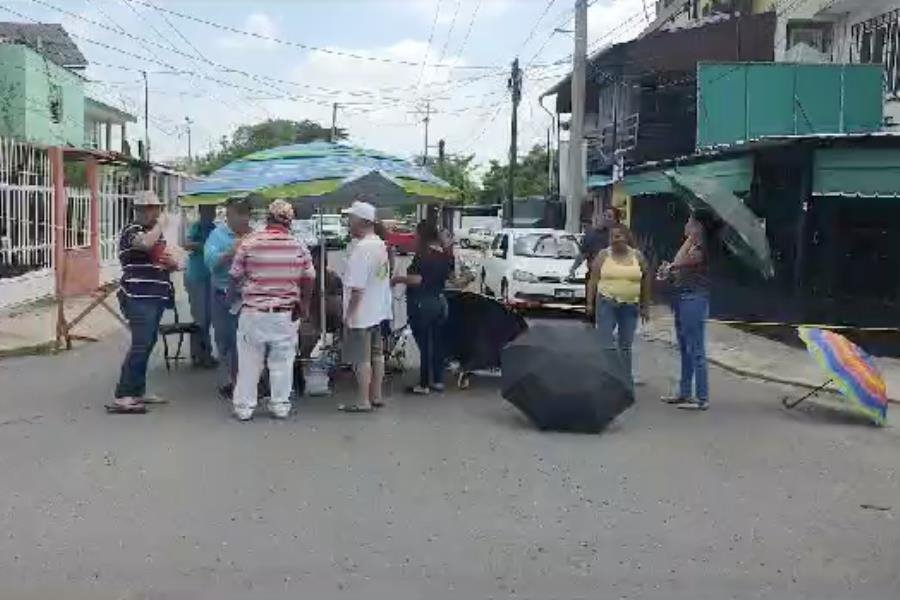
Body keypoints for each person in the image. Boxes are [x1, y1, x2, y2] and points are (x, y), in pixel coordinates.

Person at [229, 200, 315, 421]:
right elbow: (309, 278)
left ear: (267, 219)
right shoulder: (298, 245)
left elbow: (235, 275)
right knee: (282, 361)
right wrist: (304, 304)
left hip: (253, 312)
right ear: (290, 222)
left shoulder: (249, 243)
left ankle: (245, 408)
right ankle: (279, 405)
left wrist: (234, 298)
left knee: (249, 361)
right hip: (285, 313)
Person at [108, 190, 178, 414]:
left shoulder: (153, 233)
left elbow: (162, 259)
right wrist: (161, 225)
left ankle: (137, 390)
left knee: (147, 344)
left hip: (155, 296)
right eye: (151, 208)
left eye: (157, 208)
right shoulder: (133, 231)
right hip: (138, 297)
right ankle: (124, 394)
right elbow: (145, 245)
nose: (156, 213)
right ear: (140, 210)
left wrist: (172, 263)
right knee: (141, 344)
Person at [341, 200, 392, 412]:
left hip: (361, 313)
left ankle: (363, 400)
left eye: (351, 218)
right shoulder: (380, 244)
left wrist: (348, 314)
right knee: (377, 354)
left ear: (362, 221)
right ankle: (376, 395)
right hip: (378, 309)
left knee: (362, 359)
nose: (348, 222)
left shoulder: (362, 249)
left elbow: (357, 288)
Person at [392, 221, 453, 394]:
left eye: (416, 232)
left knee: (425, 345)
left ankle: (424, 384)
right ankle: (438, 380)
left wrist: (398, 279)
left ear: (422, 235)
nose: (414, 235)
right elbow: (449, 276)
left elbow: (417, 279)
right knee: (437, 343)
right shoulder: (443, 254)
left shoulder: (423, 255)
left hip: (421, 304)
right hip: (439, 302)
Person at [586, 224, 650, 387]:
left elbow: (645, 279)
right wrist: (590, 304)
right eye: (612, 237)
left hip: (630, 305)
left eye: (619, 236)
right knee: (607, 344)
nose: (615, 240)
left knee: (625, 345)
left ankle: (625, 381)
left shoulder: (638, 256)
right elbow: (593, 279)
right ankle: (609, 378)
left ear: (627, 238)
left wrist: (644, 305)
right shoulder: (603, 255)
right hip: (607, 302)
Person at [658, 213, 710, 411]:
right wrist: (670, 270)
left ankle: (702, 397)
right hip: (683, 296)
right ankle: (685, 392)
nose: (686, 225)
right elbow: (681, 268)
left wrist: (673, 266)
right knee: (684, 347)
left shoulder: (702, 246)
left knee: (696, 348)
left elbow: (692, 261)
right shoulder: (690, 244)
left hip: (694, 298)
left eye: (690, 222)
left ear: (698, 226)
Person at [204, 196, 252, 399]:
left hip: (249, 296)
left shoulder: (255, 235)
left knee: (246, 340)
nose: (241, 219)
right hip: (223, 294)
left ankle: (244, 381)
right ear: (229, 215)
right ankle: (232, 380)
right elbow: (210, 262)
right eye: (236, 214)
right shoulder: (218, 235)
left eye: (244, 214)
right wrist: (230, 252)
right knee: (226, 338)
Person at [183, 204, 218, 368]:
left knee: (209, 316)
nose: (210, 212)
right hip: (196, 276)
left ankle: (203, 353)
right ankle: (200, 354)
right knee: (200, 317)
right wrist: (206, 247)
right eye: (207, 210)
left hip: (210, 276)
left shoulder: (214, 228)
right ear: (201, 211)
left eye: (212, 210)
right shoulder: (196, 227)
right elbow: (187, 244)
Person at [569, 206, 621, 285]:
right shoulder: (592, 234)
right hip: (594, 275)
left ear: (615, 221)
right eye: (604, 215)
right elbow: (583, 254)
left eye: (609, 217)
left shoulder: (620, 236)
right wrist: (573, 269)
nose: (605, 218)